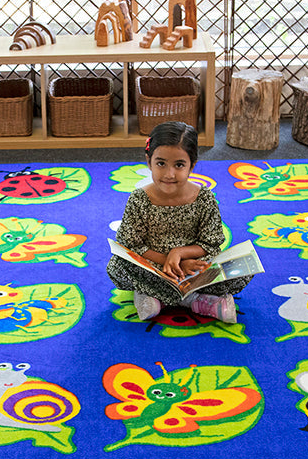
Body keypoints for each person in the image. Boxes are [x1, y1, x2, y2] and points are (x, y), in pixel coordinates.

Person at [106, 121, 249, 324]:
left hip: (193, 266)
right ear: (149, 161)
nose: (169, 174)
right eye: (161, 163)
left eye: (179, 165)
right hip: (154, 265)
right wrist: (167, 261)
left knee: (238, 270)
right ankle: (195, 301)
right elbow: (132, 246)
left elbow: (210, 243)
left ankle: (156, 298)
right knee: (117, 266)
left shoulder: (204, 197)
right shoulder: (139, 199)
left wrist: (180, 255)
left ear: (193, 165)